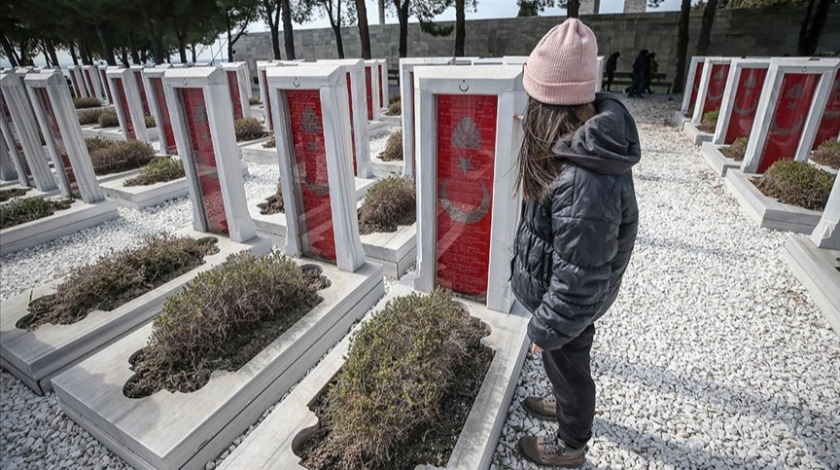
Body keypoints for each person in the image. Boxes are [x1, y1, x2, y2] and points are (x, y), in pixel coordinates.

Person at [512, 18, 640, 467]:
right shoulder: (571, 149)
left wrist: (545, 328)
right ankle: (564, 401)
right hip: (560, 300)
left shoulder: (584, 179)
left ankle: (570, 444)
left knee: (570, 363)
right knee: (564, 362)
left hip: (567, 306)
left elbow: (580, 278)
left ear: (550, 105)